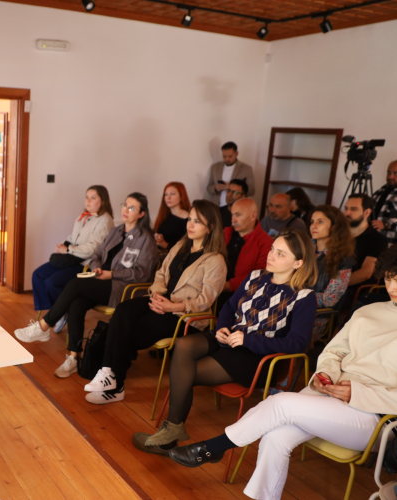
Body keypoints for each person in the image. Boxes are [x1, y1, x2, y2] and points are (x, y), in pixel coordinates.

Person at [168, 245, 397, 500]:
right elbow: (333, 352)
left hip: (375, 416)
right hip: (330, 394)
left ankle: (215, 447)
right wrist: (325, 376)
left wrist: (358, 392)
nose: (392, 287)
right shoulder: (366, 312)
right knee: (275, 437)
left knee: (280, 404)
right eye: (389, 278)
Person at [132, 229, 318, 453]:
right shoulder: (255, 277)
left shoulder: (304, 297)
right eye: (272, 249)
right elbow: (229, 308)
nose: (271, 255)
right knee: (183, 344)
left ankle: (170, 434)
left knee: (186, 372)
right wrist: (222, 327)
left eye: (280, 253)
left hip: (256, 357)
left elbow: (297, 343)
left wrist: (249, 340)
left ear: (298, 263)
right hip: (229, 338)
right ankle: (172, 431)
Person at [83, 200, 227, 404]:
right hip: (161, 301)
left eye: (197, 221)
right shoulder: (180, 246)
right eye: (189, 219)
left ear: (210, 227)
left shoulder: (215, 260)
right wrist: (158, 294)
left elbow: (206, 300)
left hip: (185, 316)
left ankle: (116, 385)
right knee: (123, 310)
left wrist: (173, 306)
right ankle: (107, 372)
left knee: (132, 329)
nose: (190, 225)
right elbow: (160, 274)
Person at [14, 193, 159, 379]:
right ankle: (74, 358)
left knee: (75, 283)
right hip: (102, 280)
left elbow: (142, 274)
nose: (126, 210)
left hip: (122, 288)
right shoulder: (116, 231)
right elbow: (96, 254)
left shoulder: (146, 239)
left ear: (141, 214)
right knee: (77, 303)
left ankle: (44, 325)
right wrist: (97, 268)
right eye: (125, 205)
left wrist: (112, 274)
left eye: (132, 208)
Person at [31, 185, 114, 331]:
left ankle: (59, 312)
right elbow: (73, 238)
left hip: (85, 264)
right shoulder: (82, 217)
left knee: (52, 282)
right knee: (37, 275)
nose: (88, 201)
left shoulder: (104, 220)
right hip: (71, 259)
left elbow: (93, 249)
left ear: (103, 200)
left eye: (93, 198)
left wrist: (69, 249)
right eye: (87, 197)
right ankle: (58, 312)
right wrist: (62, 245)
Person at [217, 198, 273, 313]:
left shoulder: (265, 242)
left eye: (238, 215)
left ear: (253, 216)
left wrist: (228, 285)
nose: (233, 220)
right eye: (232, 214)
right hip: (215, 290)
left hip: (243, 298)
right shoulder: (226, 233)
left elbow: (259, 275)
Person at [309, 205, 356, 340]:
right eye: (312, 222)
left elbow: (330, 299)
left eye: (320, 222)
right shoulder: (303, 248)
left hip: (317, 315)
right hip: (291, 306)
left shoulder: (343, 258)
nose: (313, 226)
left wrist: (298, 295)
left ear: (334, 227)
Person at [343, 194, 388, 289]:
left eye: (353, 209)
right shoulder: (338, 235)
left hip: (355, 290)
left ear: (367, 212)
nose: (347, 213)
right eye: (346, 208)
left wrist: (335, 286)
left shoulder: (377, 239)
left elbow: (366, 273)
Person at [206, 141, 255, 207]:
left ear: (236, 153)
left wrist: (232, 187)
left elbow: (252, 190)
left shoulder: (246, 169)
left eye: (230, 156)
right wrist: (215, 188)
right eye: (224, 156)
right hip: (217, 206)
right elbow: (209, 187)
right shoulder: (215, 167)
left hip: (236, 207)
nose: (227, 159)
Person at [154, 182, 191, 252]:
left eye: (172, 194)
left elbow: (188, 245)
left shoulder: (188, 219)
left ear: (181, 197)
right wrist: (156, 237)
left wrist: (165, 245)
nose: (168, 197)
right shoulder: (164, 214)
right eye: (166, 194)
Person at [371, 159, 397, 247]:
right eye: (389, 172)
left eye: (396, 173)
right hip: (373, 241)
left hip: (391, 245)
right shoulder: (380, 191)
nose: (391, 176)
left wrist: (385, 224)